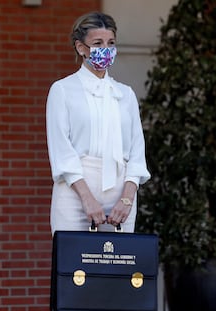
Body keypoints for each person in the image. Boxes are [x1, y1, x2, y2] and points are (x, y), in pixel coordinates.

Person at [46, 11, 150, 234]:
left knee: (117, 266)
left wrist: (127, 199)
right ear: (81, 47)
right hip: (76, 191)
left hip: (121, 195)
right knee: (74, 266)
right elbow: (62, 150)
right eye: (98, 43)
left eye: (111, 43)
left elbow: (137, 152)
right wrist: (87, 198)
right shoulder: (62, 90)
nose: (106, 49)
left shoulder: (125, 94)